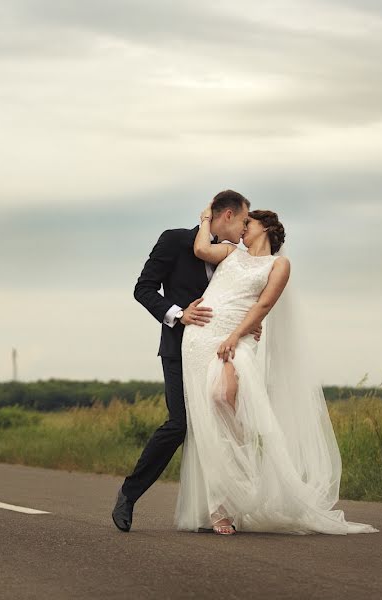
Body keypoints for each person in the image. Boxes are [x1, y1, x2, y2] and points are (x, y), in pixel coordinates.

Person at [174, 205, 378, 535]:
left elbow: (264, 304)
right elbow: (200, 248)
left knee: (223, 398)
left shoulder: (278, 265)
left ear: (266, 228)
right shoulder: (229, 253)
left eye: (248, 223)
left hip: (236, 338)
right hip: (200, 337)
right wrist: (205, 219)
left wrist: (236, 335)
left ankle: (239, 491)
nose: (241, 228)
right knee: (209, 420)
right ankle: (221, 507)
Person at [112, 190, 259, 532]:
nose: (243, 229)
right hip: (179, 349)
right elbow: (143, 288)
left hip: (220, 352)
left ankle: (223, 509)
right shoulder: (174, 241)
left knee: (223, 426)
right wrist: (179, 314)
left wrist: (252, 327)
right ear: (225, 216)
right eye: (242, 220)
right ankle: (128, 494)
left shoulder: (232, 257)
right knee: (179, 424)